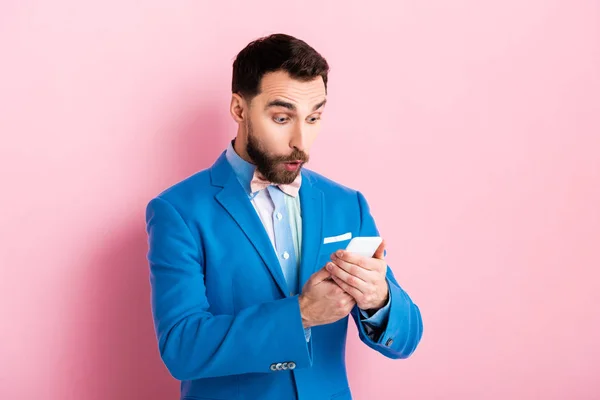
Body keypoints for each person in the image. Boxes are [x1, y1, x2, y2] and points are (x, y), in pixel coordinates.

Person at [145, 33, 423, 400]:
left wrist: (380, 299)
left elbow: (405, 339)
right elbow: (182, 348)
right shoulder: (177, 212)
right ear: (239, 109)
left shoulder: (347, 205)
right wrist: (301, 314)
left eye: (313, 117)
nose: (301, 141)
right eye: (281, 117)